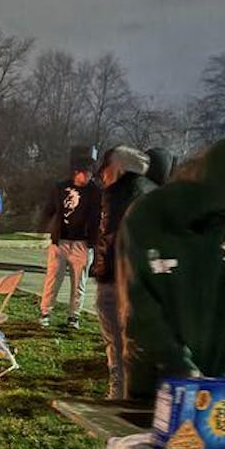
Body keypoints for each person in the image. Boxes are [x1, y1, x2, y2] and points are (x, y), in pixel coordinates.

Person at [119, 135, 225, 399]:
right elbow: (140, 303)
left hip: (220, 374)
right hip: (155, 375)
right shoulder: (149, 214)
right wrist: (179, 367)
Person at [90, 145, 155, 399]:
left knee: (117, 342)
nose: (101, 175)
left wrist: (104, 270)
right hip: (133, 280)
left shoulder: (123, 195)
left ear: (117, 168)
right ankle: (128, 392)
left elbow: (113, 238)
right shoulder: (148, 192)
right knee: (127, 342)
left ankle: (120, 395)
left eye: (104, 169)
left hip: (118, 281)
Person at [39, 147, 101, 329]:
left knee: (79, 283)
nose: (89, 177)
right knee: (53, 278)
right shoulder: (60, 188)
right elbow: (49, 210)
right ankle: (45, 312)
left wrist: (93, 243)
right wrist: (44, 231)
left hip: (82, 243)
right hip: (61, 242)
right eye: (86, 173)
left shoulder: (95, 192)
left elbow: (97, 218)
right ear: (77, 173)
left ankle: (74, 316)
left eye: (91, 174)